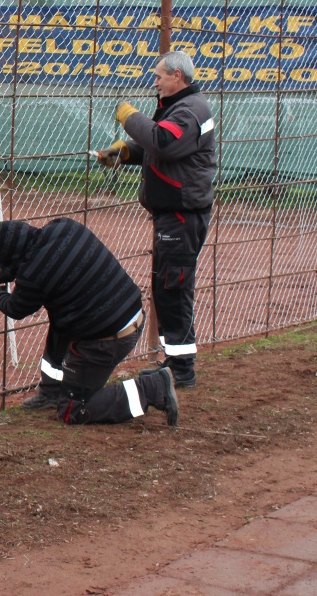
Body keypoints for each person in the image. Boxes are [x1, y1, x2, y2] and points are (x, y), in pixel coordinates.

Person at [96, 50, 216, 389]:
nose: (156, 82)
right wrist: (126, 152)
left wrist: (129, 116)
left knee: (174, 289)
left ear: (177, 76)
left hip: (182, 214)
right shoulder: (181, 107)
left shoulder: (190, 111)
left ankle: (182, 370)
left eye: (159, 76)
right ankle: (174, 362)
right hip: (174, 213)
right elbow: (163, 146)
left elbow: (163, 142)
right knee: (167, 288)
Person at [0, 218, 179, 426]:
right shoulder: (63, 226)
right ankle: (51, 391)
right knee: (60, 317)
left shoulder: (32, 274)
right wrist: (15, 270)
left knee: (73, 409)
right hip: (130, 313)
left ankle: (152, 388)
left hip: (108, 339)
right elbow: (49, 268)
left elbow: (16, 309)